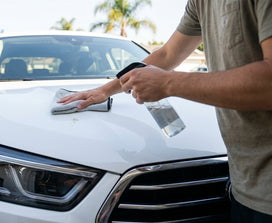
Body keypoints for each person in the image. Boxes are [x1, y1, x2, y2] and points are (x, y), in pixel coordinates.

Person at [58, 0, 272, 222]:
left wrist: (169, 83)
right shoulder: (200, 3)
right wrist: (105, 90)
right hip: (241, 185)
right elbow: (168, 54)